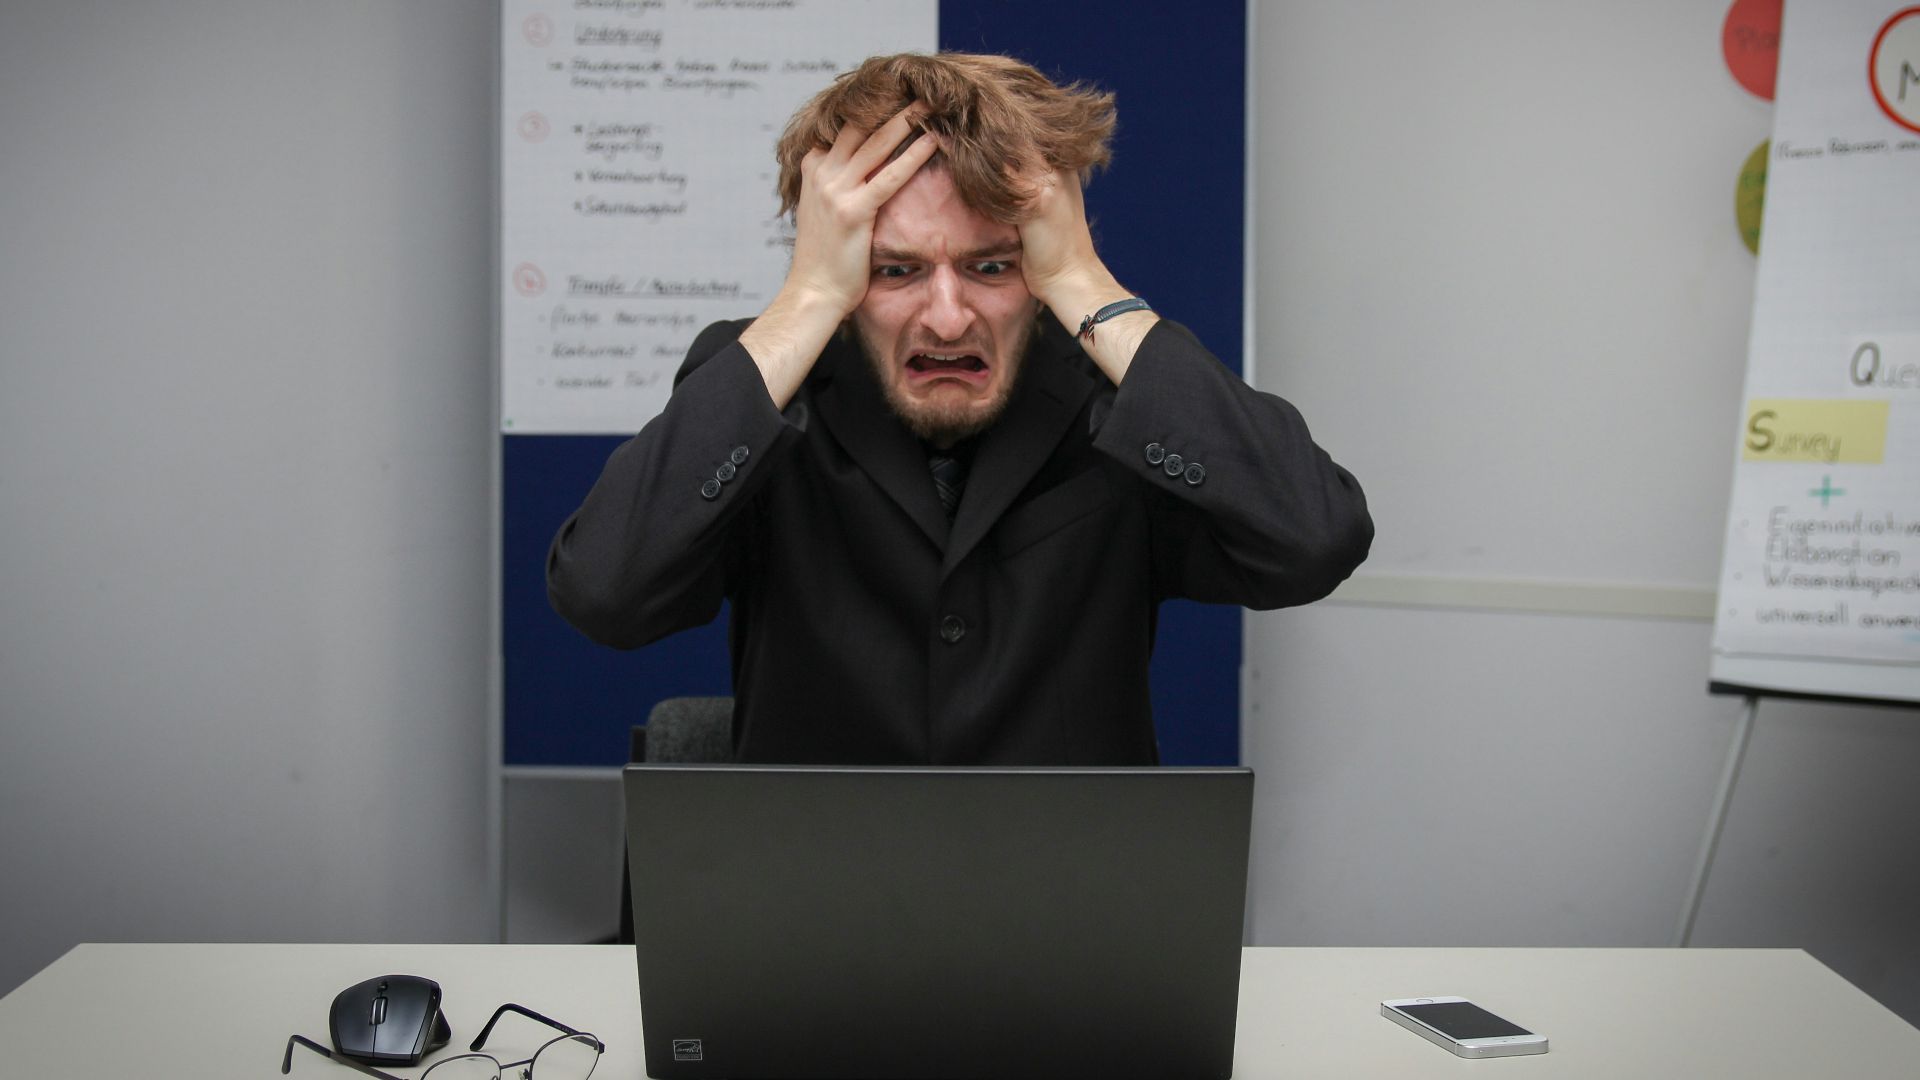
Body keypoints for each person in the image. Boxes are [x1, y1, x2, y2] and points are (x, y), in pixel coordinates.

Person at [547, 52, 1372, 764]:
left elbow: (1312, 539)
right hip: (816, 917)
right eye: (895, 271)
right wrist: (807, 301)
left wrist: (1084, 285)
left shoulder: (1113, 396)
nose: (946, 317)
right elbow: (606, 592)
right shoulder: (770, 393)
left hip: (1069, 916)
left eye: (991, 267)